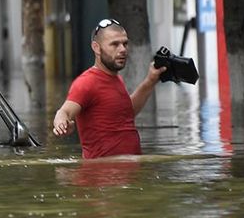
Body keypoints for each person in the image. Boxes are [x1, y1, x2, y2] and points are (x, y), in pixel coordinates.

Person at [52, 18, 165, 159]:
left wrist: (151, 81)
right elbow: (64, 111)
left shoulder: (117, 79)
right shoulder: (86, 82)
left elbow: (126, 112)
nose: (123, 49)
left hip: (128, 174)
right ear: (96, 48)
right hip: (101, 176)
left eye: (125, 43)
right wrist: (62, 123)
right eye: (115, 44)